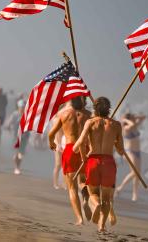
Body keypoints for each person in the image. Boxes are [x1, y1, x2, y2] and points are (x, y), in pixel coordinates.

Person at [73, 97, 124, 232]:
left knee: (94, 193)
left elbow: (81, 143)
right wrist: (113, 141)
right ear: (109, 109)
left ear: (95, 109)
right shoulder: (116, 125)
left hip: (93, 161)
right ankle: (101, 226)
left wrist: (83, 157)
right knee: (106, 198)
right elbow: (121, 150)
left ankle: (95, 205)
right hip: (108, 162)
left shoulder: (90, 123)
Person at [48, 97, 92, 226]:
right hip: (85, 149)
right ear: (84, 102)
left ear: (71, 102)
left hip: (70, 149)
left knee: (72, 188)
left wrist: (52, 143)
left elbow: (51, 133)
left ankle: (79, 219)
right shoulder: (89, 116)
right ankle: (86, 198)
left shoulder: (64, 114)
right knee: (83, 181)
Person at [115, 112, 145, 201]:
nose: (134, 118)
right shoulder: (126, 127)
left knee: (137, 174)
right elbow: (131, 124)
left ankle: (134, 194)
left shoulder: (134, 126)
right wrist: (125, 120)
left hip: (137, 152)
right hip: (130, 152)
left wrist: (135, 116)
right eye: (132, 117)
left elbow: (143, 117)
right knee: (136, 172)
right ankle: (120, 188)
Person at [7, 100, 29, 175]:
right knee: (17, 153)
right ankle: (16, 168)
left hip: (25, 137)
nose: (22, 108)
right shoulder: (15, 114)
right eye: (21, 107)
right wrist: (9, 127)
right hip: (16, 136)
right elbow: (9, 123)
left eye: (23, 107)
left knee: (21, 154)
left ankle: (17, 167)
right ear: (18, 107)